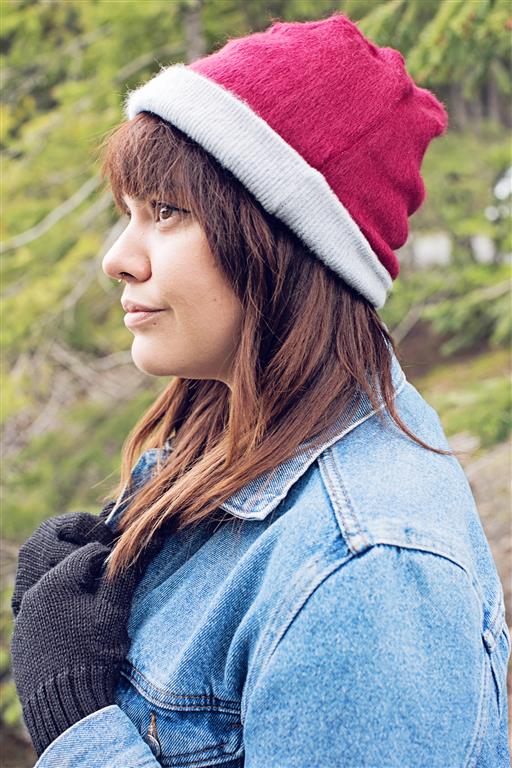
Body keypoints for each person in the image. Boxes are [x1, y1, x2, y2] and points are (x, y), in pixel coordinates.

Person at [10, 13, 510, 768]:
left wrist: (77, 725)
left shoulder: (370, 573)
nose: (119, 257)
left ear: (286, 244)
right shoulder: (225, 424)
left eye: (167, 213)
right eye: (128, 213)